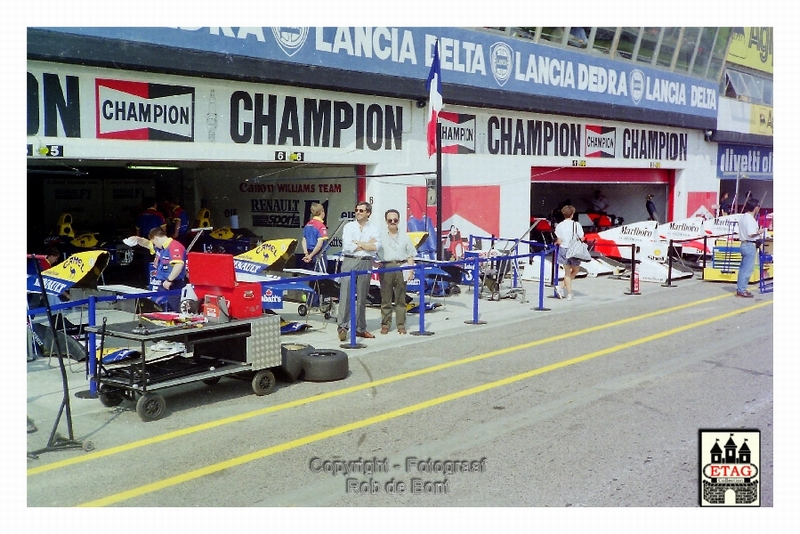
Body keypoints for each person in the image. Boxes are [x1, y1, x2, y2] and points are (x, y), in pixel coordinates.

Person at [337, 201, 381, 341]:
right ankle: (343, 327)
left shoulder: (374, 228)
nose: (358, 212)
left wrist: (359, 243)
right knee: (346, 295)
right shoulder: (349, 227)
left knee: (362, 296)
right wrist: (367, 245)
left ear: (368, 213)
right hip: (350, 260)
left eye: (361, 210)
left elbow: (376, 247)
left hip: (365, 263)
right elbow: (348, 246)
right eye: (356, 210)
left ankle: (360, 328)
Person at [377, 209, 416, 335]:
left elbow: (410, 255)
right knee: (386, 299)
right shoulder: (380, 236)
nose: (393, 222)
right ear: (386, 221)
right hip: (386, 267)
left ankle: (400, 325)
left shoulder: (405, 236)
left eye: (395, 220)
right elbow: (372, 251)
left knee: (401, 299)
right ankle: (385, 324)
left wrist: (410, 270)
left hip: (401, 267)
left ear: (399, 220)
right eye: (390, 220)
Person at [130, 227, 187, 311]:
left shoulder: (174, 246)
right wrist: (138, 240)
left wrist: (169, 280)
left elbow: (178, 265)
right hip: (163, 284)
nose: (154, 245)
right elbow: (147, 244)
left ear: (156, 238)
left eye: (154, 242)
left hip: (174, 285)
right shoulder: (160, 248)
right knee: (157, 308)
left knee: (173, 310)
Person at [554, 205, 584, 301]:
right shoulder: (576, 225)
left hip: (564, 249)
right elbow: (582, 237)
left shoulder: (559, 225)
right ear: (572, 214)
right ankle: (568, 292)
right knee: (575, 270)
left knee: (567, 272)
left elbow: (559, 241)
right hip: (574, 249)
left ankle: (562, 288)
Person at [735, 198, 762, 298]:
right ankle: (741, 290)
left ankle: (741, 288)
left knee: (743, 268)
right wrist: (760, 231)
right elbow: (751, 234)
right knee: (747, 269)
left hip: (744, 243)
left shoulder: (743, 217)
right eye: (758, 206)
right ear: (755, 207)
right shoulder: (750, 219)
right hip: (749, 244)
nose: (759, 208)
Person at [301, 202, 329, 273]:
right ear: (322, 211)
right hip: (319, 255)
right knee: (321, 277)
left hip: (309, 254)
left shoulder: (308, 224)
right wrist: (311, 256)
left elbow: (304, 240)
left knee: (310, 276)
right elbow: (319, 245)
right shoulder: (321, 226)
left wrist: (306, 254)